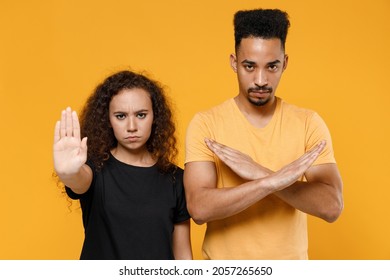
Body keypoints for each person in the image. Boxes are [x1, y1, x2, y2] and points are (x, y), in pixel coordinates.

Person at [184, 8, 343, 259]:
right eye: (249, 66)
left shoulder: (308, 123)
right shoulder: (206, 124)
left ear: (285, 63)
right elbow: (199, 208)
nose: (260, 80)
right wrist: (271, 182)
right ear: (234, 62)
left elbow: (332, 206)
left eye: (272, 66)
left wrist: (260, 173)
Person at [53, 70, 192, 260]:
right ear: (108, 120)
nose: (132, 126)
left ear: (155, 117)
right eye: (120, 116)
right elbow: (79, 181)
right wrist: (68, 173)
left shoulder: (176, 178)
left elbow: (183, 255)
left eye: (141, 115)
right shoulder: (95, 170)